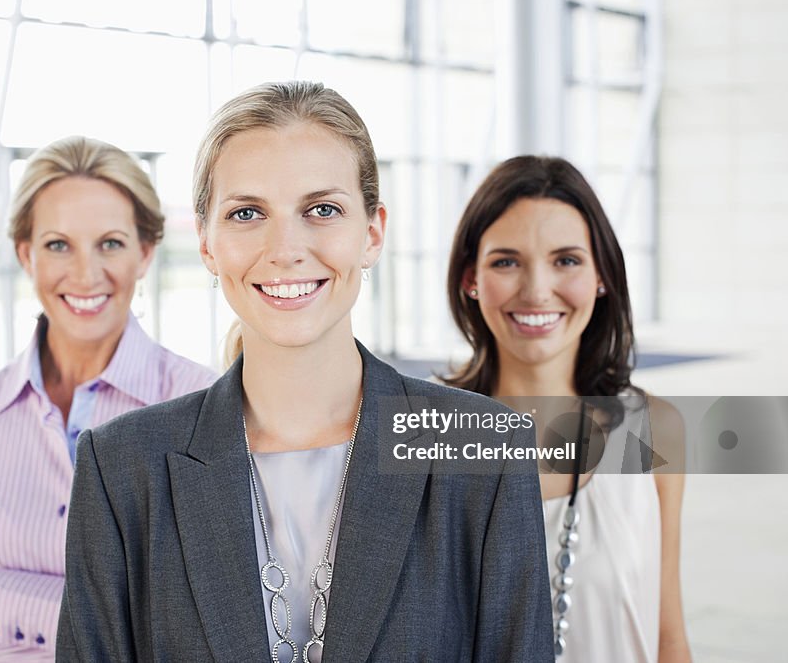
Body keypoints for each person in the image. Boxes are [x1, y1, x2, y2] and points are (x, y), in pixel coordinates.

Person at [57, 82, 554, 661]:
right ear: (208, 245)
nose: (286, 247)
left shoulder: (481, 452)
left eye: (322, 209)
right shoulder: (122, 468)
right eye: (247, 213)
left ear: (372, 234)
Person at [0, 136, 216, 660]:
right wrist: (108, 627)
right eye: (57, 244)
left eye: (110, 243)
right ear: (26, 254)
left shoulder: (202, 407)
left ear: (144, 253)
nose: (85, 274)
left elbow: (191, 631)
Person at [441, 155, 692, 661]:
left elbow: (666, 636)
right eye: (506, 261)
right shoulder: (426, 436)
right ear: (471, 278)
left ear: (601, 275)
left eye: (567, 260)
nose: (536, 290)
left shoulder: (655, 431)